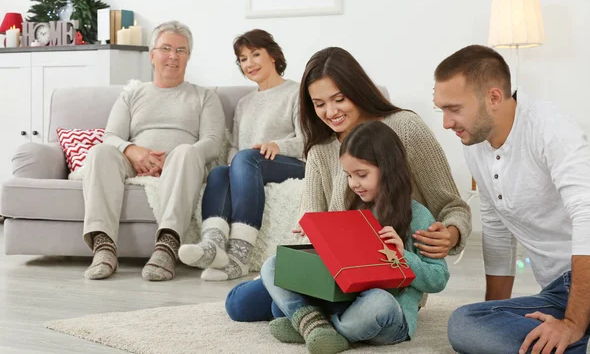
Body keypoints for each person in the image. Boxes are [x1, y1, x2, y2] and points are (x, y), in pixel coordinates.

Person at [224, 47, 471, 321]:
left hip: (389, 277)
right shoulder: (320, 149)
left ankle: (307, 314)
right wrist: (309, 240)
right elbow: (308, 222)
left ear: (357, 90)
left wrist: (451, 234)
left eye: (339, 99)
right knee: (239, 304)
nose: (330, 112)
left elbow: (453, 206)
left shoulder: (405, 127)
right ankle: (308, 313)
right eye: (319, 104)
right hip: (333, 270)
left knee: (277, 306)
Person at [433, 45, 590, 354]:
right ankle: (587, 345)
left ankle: (577, 335)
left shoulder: (549, 125)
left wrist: (573, 323)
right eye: (441, 109)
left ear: (494, 97)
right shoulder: (474, 143)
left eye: (454, 109)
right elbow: (497, 229)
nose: (445, 122)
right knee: (466, 324)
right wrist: (494, 313)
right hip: (559, 291)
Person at [261, 120, 450, 353]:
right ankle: (317, 326)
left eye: (361, 174)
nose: (354, 184)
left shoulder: (419, 217)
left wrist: (403, 257)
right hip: (344, 304)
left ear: (389, 169)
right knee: (273, 265)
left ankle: (312, 326)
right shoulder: (354, 211)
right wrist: (320, 240)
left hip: (391, 315)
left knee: (379, 301)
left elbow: (438, 278)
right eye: (349, 176)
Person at [82, 20, 225, 281]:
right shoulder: (132, 95)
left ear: (188, 57)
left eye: (181, 51)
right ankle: (103, 247)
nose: (173, 56)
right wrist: (134, 151)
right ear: (152, 55)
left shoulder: (204, 96)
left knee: (185, 152)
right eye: (166, 48)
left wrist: (171, 158)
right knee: (100, 152)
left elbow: (213, 142)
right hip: (135, 161)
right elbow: (110, 136)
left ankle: (167, 246)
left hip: (182, 163)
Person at [178, 29, 305, 281]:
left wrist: (278, 146)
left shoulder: (297, 93)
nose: (249, 63)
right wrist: (233, 159)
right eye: (243, 59)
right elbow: (236, 145)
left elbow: (309, 140)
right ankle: (212, 246)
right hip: (250, 164)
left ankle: (238, 256)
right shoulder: (245, 103)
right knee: (219, 172)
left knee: (246, 158)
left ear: (273, 56)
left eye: (255, 54)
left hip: (291, 163)